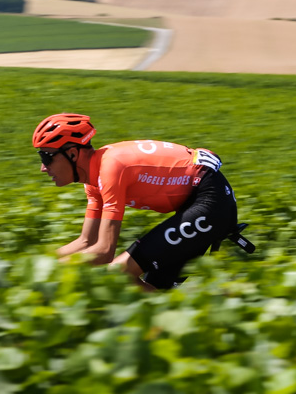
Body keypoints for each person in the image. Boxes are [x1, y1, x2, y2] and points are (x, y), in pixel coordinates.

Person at [32, 113, 238, 289]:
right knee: (148, 290)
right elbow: (86, 241)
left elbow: (104, 252)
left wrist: (53, 271)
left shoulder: (110, 168)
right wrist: (41, 262)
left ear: (72, 153)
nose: (43, 167)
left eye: (46, 157)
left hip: (211, 199)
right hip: (195, 202)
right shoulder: (94, 182)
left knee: (118, 273)